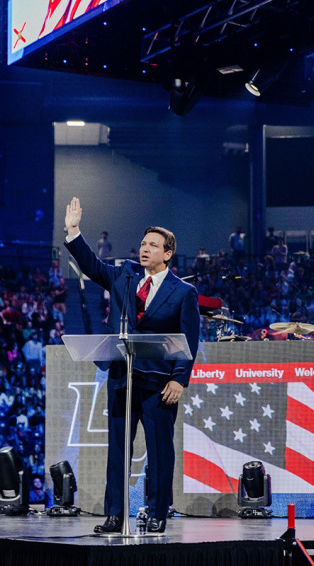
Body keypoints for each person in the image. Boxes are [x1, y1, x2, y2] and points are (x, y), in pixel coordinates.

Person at [63, 197, 199, 534]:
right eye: (143, 243)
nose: (145, 249)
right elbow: (92, 267)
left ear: (168, 253)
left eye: (153, 245)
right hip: (122, 377)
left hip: (159, 384)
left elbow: (189, 340)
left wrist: (180, 380)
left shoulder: (183, 293)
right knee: (118, 451)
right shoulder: (124, 276)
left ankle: (157, 512)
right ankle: (115, 514)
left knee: (159, 452)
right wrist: (74, 231)